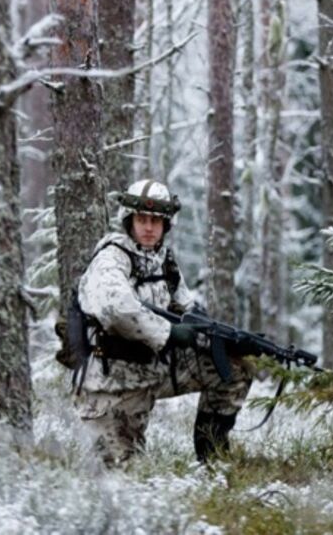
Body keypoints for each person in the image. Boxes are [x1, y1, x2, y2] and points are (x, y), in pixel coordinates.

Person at [73, 179, 252, 467]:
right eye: (142, 219)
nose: (149, 227)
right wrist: (170, 332)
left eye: (156, 221)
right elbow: (117, 309)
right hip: (110, 384)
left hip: (152, 370)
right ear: (129, 221)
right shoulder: (111, 259)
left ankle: (212, 462)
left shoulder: (163, 261)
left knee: (232, 369)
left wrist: (223, 337)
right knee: (120, 473)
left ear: (165, 225)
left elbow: (187, 308)